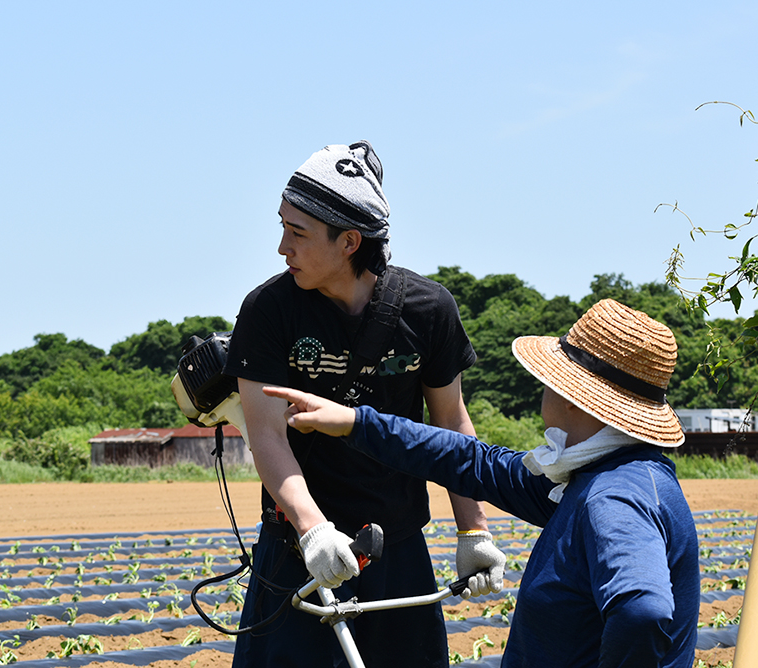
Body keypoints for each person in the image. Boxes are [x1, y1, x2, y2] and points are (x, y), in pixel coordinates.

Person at [265, 298, 701, 668]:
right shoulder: (614, 473)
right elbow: (474, 461)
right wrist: (356, 422)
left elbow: (643, 611)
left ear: (575, 400)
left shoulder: (613, 497)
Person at [223, 140, 507, 668]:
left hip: (396, 545)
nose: (282, 247)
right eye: (282, 226)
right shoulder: (269, 310)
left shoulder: (427, 310)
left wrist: (474, 529)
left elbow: (451, 423)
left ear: (349, 241)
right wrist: (311, 529)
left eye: (297, 233)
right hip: (300, 549)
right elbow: (265, 434)